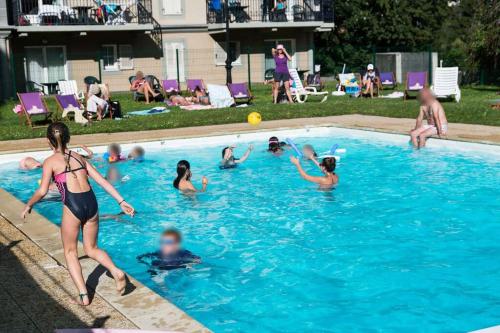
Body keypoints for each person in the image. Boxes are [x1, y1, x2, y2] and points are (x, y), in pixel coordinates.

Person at [20, 122, 135, 306]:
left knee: (70, 251)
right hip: (91, 203)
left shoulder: (50, 161)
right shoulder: (80, 158)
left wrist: (29, 205)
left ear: (48, 140)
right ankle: (115, 270)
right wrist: (121, 201)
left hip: (73, 205)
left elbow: (42, 191)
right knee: (91, 249)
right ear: (68, 138)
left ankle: (84, 295)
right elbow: (101, 182)